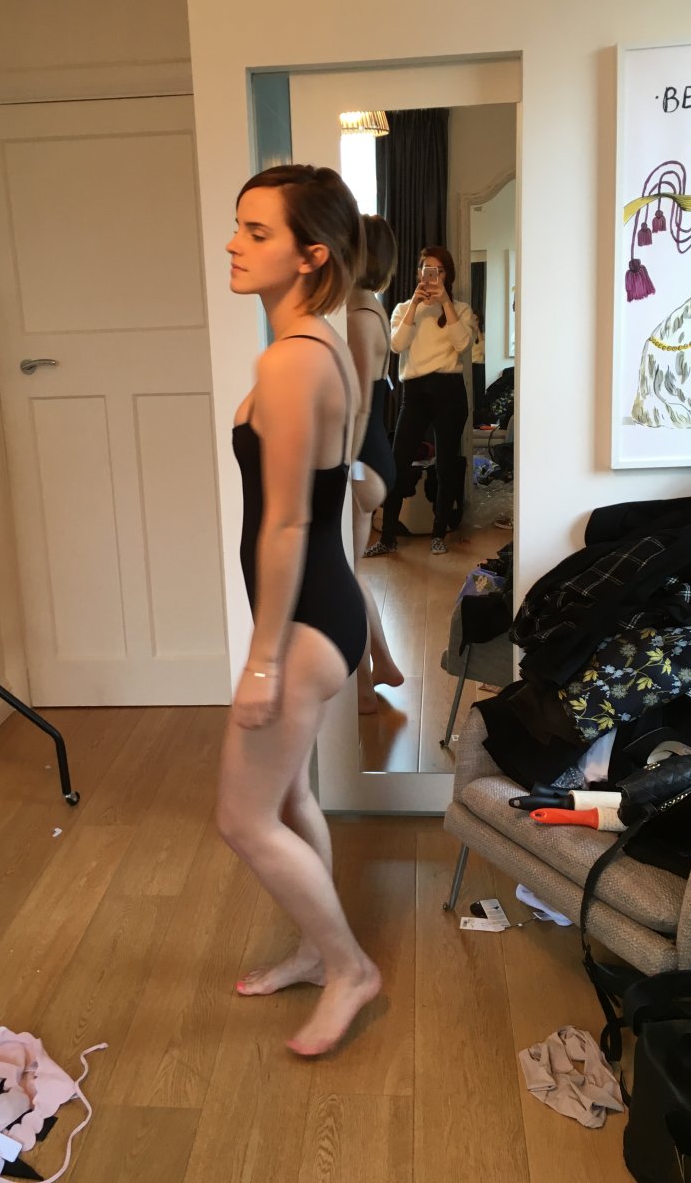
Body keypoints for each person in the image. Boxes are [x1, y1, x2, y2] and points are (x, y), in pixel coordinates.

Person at [220, 164, 381, 1057]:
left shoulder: (290, 361)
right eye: (237, 226)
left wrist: (263, 658)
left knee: (242, 819)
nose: (234, 245)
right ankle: (319, 953)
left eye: (257, 232)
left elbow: (285, 522)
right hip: (325, 607)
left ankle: (350, 967)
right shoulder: (323, 341)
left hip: (307, 621)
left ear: (310, 254)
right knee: (285, 797)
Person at [365, 246, 478, 557]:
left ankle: (439, 533)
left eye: (438, 271)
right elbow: (397, 344)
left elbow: (463, 345)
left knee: (446, 465)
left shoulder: (460, 309)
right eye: (427, 270)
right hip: (414, 393)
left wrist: (445, 303)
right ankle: (387, 537)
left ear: (447, 275)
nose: (432, 276)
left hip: (449, 391)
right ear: (418, 274)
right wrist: (415, 304)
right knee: (397, 462)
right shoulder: (404, 308)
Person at [345, 214, 405, 712]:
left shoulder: (359, 317)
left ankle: (365, 686)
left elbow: (360, 403)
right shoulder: (373, 309)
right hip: (373, 453)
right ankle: (380, 664)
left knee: (347, 575)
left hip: (363, 455)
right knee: (353, 572)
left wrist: (343, 461)